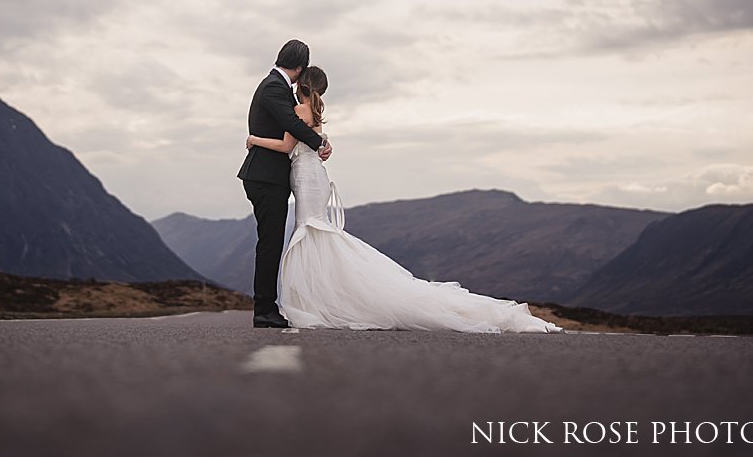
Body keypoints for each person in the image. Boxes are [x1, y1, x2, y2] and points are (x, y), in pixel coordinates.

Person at [246, 66, 564, 334]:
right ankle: (324, 299)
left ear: (301, 84)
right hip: (312, 177)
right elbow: (312, 144)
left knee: (312, 231)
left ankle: (319, 301)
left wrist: (254, 139)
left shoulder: (299, 109)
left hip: (306, 177)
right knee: (317, 234)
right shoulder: (313, 110)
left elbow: (288, 146)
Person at [237, 39, 333, 329]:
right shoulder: (273, 87)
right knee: (270, 243)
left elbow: (292, 125)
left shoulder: (273, 86)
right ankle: (264, 310)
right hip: (265, 178)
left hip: (269, 177)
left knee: (272, 241)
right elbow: (291, 123)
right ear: (300, 67)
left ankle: (267, 307)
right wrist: (320, 144)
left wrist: (319, 143)